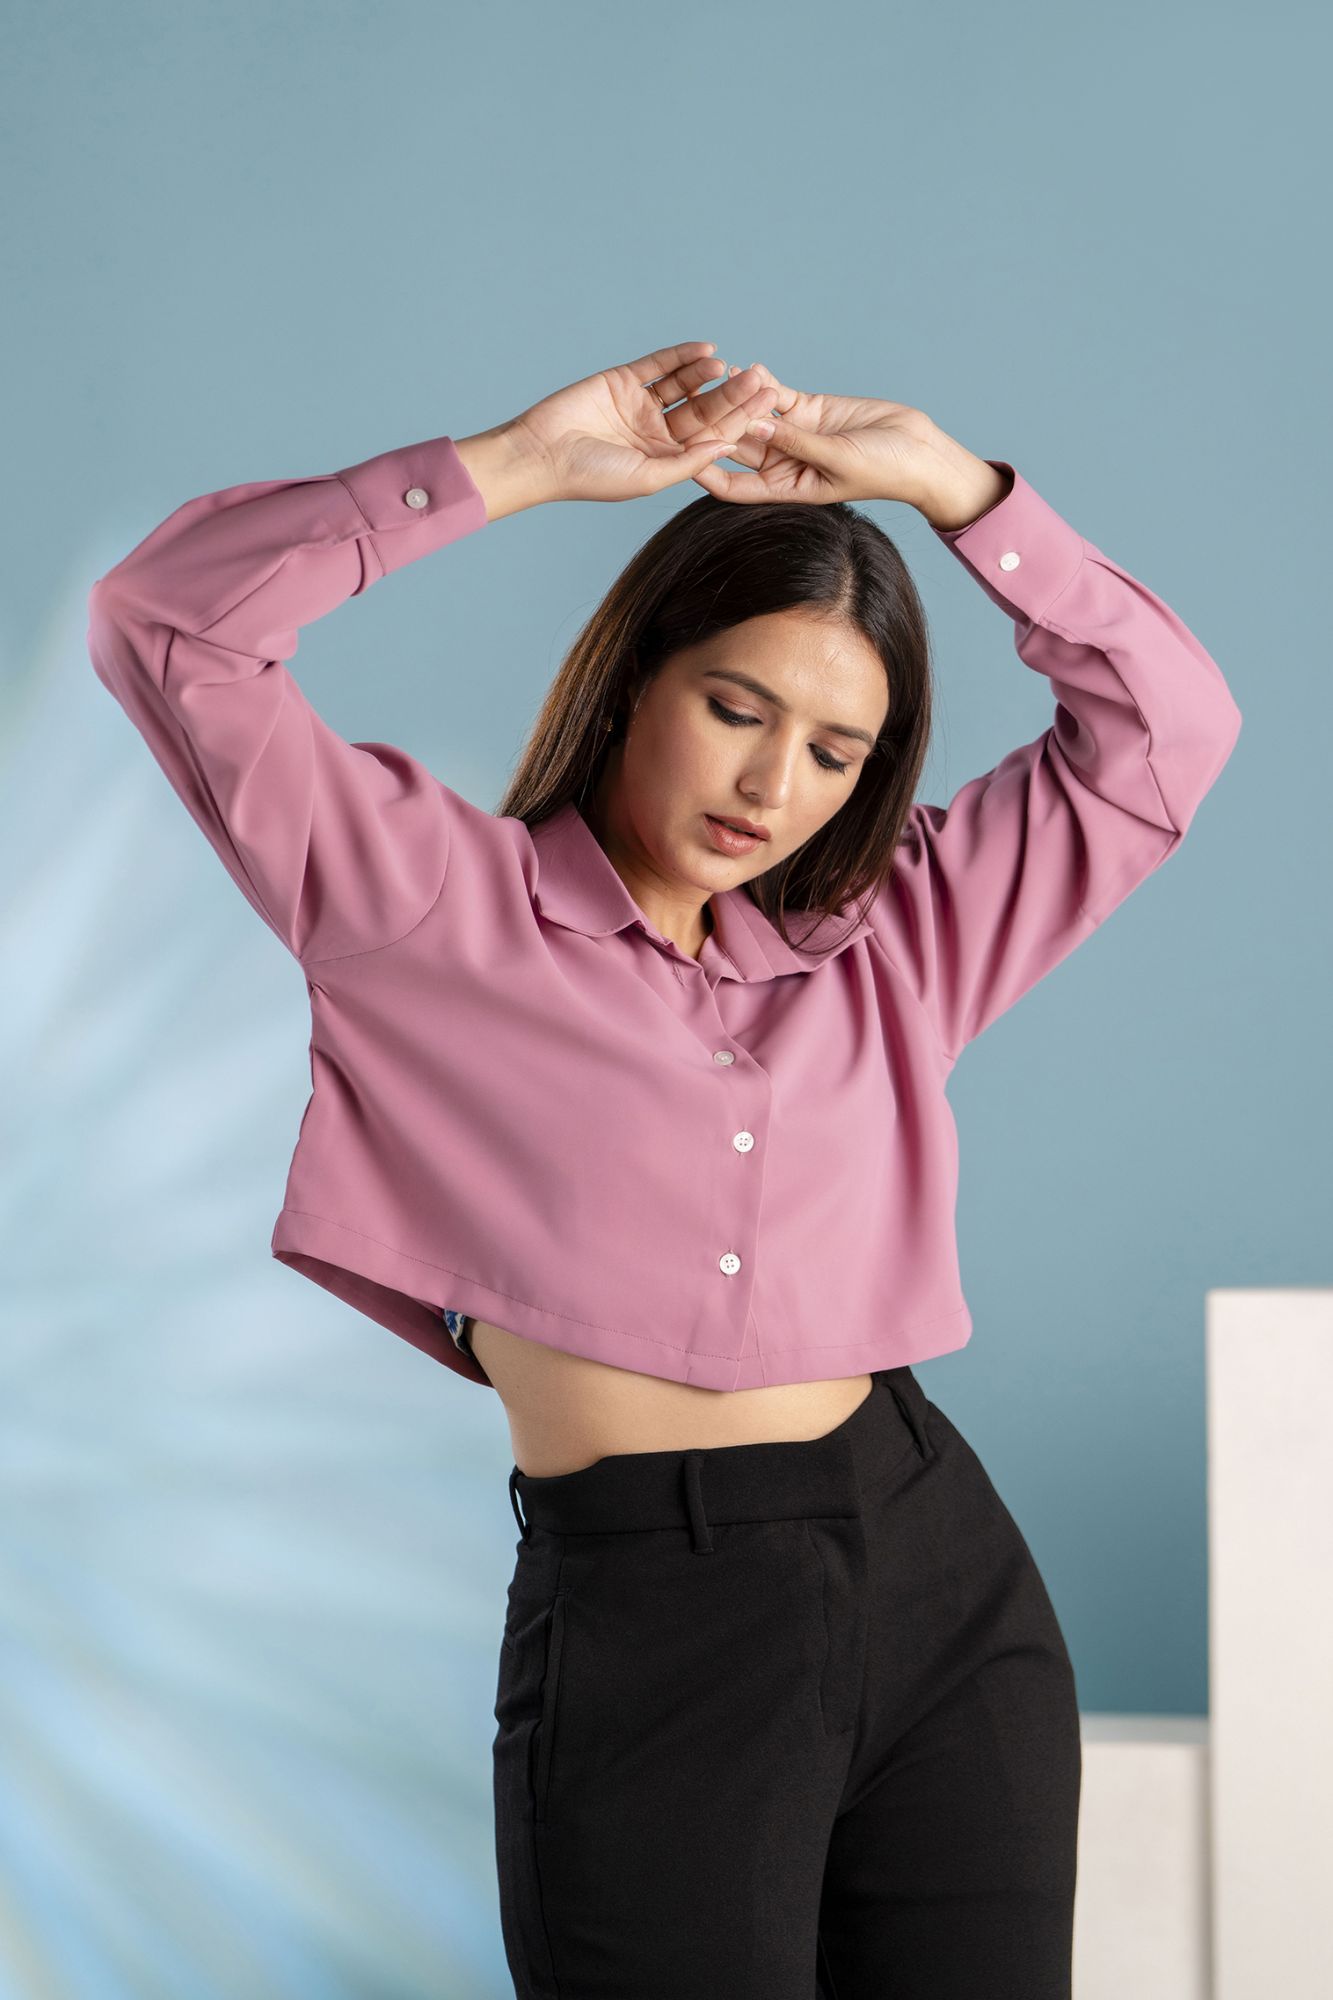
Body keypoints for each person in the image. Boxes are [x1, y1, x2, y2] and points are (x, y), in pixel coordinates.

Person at [87, 342, 1242, 1998]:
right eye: (735, 709)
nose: (772, 787)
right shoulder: (423, 904)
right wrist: (520, 463)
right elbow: (168, 623)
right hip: (652, 1611)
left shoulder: (899, 941)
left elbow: (1168, 732)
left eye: (835, 752)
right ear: (637, 677)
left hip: (936, 1569)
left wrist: (955, 488)